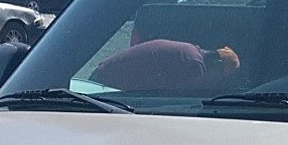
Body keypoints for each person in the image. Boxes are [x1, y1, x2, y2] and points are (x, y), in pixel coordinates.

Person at [90, 38, 241, 94]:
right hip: (104, 89)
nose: (216, 81)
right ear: (217, 64)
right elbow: (181, 101)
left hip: (100, 76)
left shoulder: (190, 51)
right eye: (221, 76)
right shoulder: (195, 66)